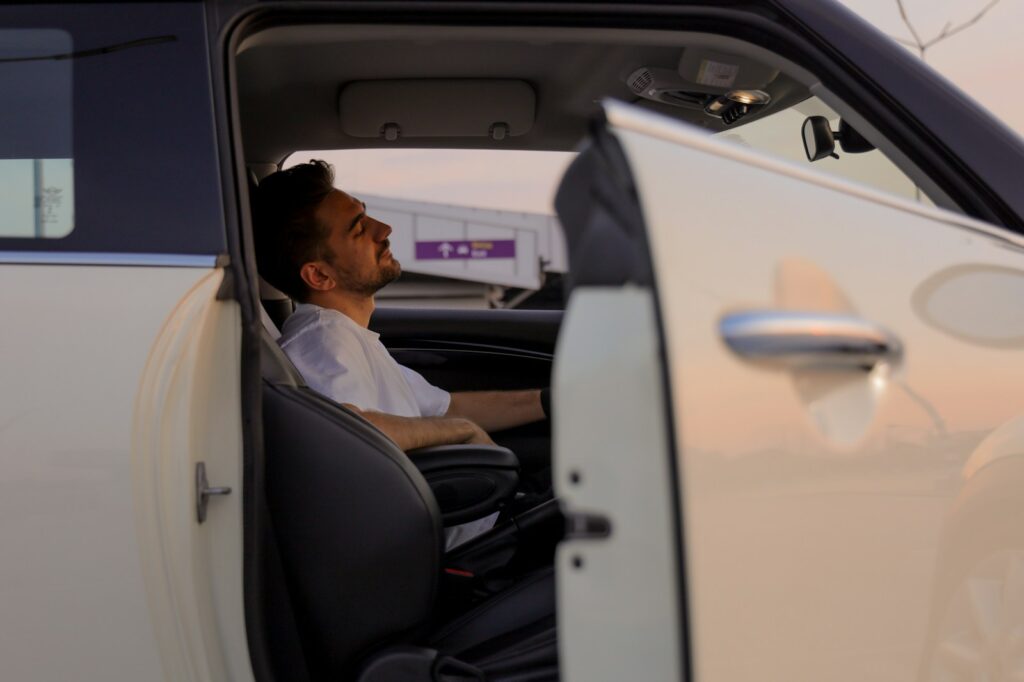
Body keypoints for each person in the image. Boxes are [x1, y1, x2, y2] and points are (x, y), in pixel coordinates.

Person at [253, 159, 549, 456]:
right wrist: (461, 430)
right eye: (359, 229)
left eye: (366, 217)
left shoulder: (348, 334)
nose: (383, 230)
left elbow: (446, 408)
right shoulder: (325, 338)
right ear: (319, 275)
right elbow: (347, 431)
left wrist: (550, 402)